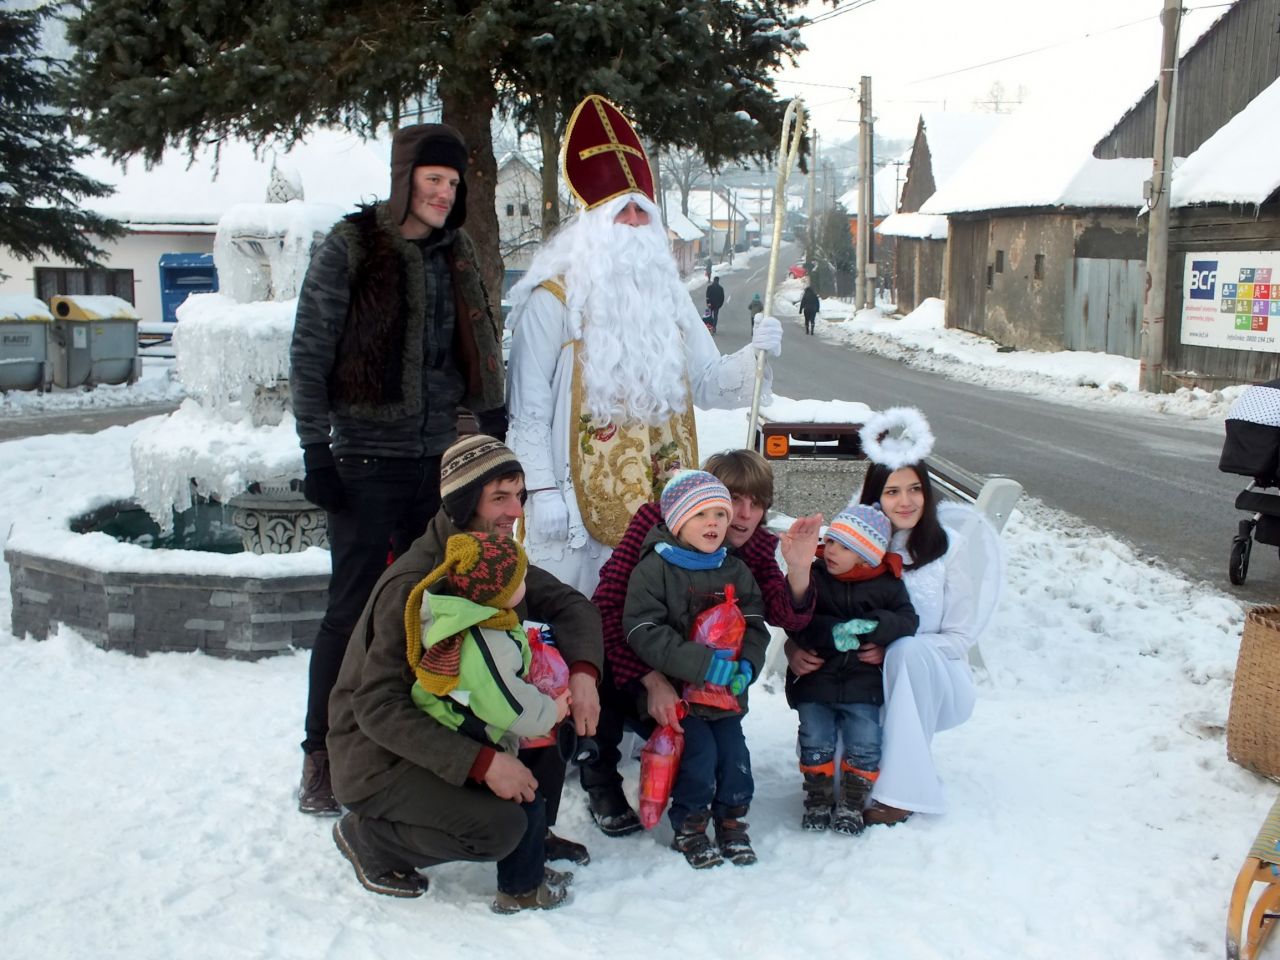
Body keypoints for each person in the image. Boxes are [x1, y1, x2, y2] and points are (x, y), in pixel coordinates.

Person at [291, 123, 507, 815]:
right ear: (404, 177)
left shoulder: (456, 252)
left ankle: (416, 743)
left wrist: (491, 416)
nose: (444, 193)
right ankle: (321, 756)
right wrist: (315, 451)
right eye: (433, 179)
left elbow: (479, 339)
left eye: (453, 182)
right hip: (364, 458)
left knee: (434, 606)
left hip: (436, 460)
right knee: (352, 610)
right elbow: (310, 351)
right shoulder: (352, 246)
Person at [506, 94, 784, 598]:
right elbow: (528, 408)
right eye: (623, 212)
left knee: (648, 622)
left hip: (663, 505)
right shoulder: (554, 300)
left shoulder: (671, 300)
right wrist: (541, 490)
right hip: (573, 505)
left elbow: (708, 383)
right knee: (572, 619)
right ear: (595, 224)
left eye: (642, 212)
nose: (635, 223)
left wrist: (754, 356)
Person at [325, 434, 602, 912]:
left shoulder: (489, 557)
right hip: (380, 757)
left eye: (519, 495)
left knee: (549, 699)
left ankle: (533, 833)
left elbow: (571, 605)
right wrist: (482, 763)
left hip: (457, 721)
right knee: (498, 828)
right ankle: (371, 839)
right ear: (463, 502)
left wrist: (583, 676)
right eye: (500, 497)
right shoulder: (414, 584)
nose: (515, 511)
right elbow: (376, 706)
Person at [585, 449, 820, 835]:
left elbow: (779, 615)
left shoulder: (751, 547)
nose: (743, 514)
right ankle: (600, 779)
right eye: (734, 499)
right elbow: (609, 607)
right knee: (600, 661)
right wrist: (651, 681)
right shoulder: (656, 524)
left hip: (709, 681)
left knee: (711, 746)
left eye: (756, 503)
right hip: (647, 660)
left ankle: (718, 800)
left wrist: (798, 569)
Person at [787, 453, 995, 826]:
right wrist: (793, 646)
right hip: (859, 677)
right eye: (892, 491)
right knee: (838, 780)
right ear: (875, 496)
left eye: (915, 489)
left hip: (933, 675)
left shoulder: (950, 547)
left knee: (907, 649)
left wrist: (893, 649)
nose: (906, 501)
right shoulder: (853, 542)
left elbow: (959, 637)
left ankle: (904, 792)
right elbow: (814, 606)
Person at [622, 470, 769, 869]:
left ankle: (732, 822)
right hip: (680, 695)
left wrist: (747, 665)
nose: (713, 523)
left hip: (725, 695)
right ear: (677, 521)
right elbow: (642, 629)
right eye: (701, 514)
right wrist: (702, 665)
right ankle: (690, 824)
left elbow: (755, 624)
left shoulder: (734, 569)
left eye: (720, 514)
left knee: (734, 757)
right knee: (699, 755)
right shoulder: (655, 569)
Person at [785, 504, 917, 835]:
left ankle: (852, 804)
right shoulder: (815, 577)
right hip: (817, 679)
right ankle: (818, 800)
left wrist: (875, 628)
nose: (831, 551)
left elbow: (907, 620)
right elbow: (797, 622)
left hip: (862, 683)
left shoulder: (888, 585)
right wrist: (832, 632)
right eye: (830, 541)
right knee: (814, 738)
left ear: (865, 557)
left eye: (844, 547)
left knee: (866, 741)